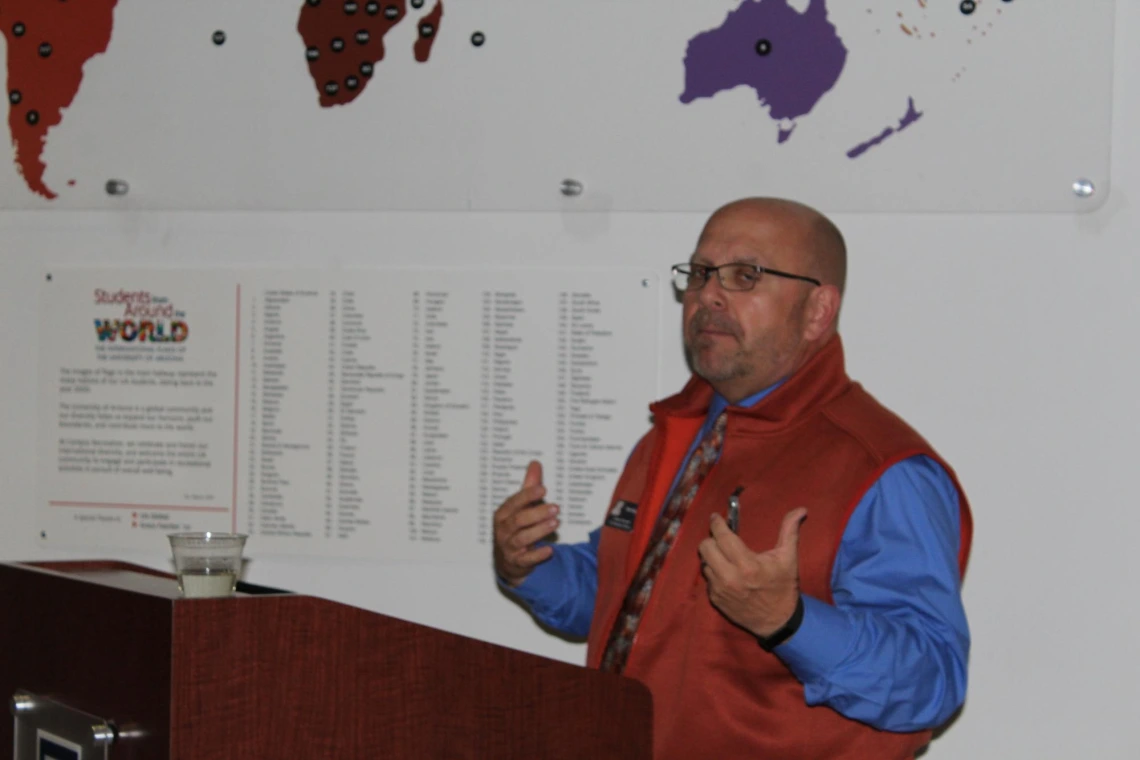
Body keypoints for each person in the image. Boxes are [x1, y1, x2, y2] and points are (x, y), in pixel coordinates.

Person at [493, 198, 972, 760]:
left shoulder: (881, 469)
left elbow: (930, 682)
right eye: (699, 274)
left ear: (818, 311)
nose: (708, 295)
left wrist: (788, 621)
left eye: (745, 276)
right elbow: (627, 599)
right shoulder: (677, 434)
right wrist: (530, 566)